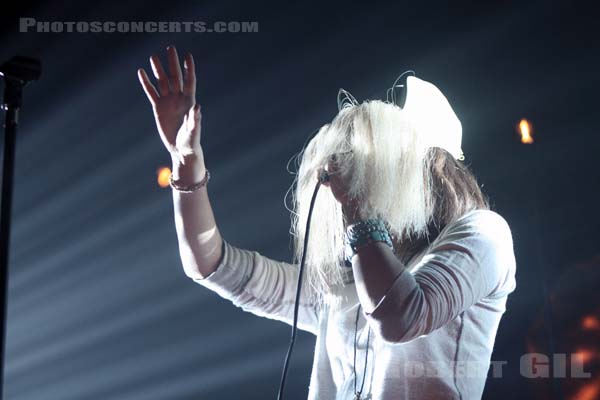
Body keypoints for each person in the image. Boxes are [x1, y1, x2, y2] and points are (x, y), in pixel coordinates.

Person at [138, 45, 517, 400]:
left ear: (423, 170)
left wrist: (358, 211)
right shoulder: (342, 288)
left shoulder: (484, 234)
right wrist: (186, 163)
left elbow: (402, 316)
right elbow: (212, 265)